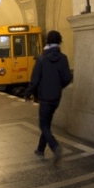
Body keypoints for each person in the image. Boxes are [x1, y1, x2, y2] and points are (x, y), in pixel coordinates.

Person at [25, 30, 72, 165]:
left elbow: (34, 80)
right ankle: (40, 149)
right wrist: (58, 86)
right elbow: (68, 78)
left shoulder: (41, 59)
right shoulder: (63, 58)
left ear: (47, 41)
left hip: (45, 98)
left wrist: (28, 93)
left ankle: (55, 147)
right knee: (47, 124)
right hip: (56, 98)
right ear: (59, 41)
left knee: (43, 125)